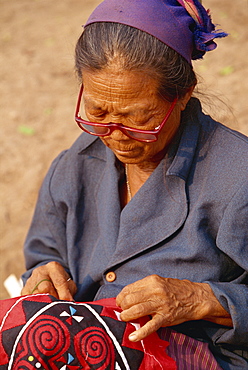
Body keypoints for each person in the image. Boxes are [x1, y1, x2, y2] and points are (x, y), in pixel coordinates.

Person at [20, 0, 248, 368]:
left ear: (183, 93)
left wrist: (202, 299)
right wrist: (44, 276)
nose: (116, 135)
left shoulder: (238, 177)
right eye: (98, 112)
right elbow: (43, 257)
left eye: (139, 118)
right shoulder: (75, 165)